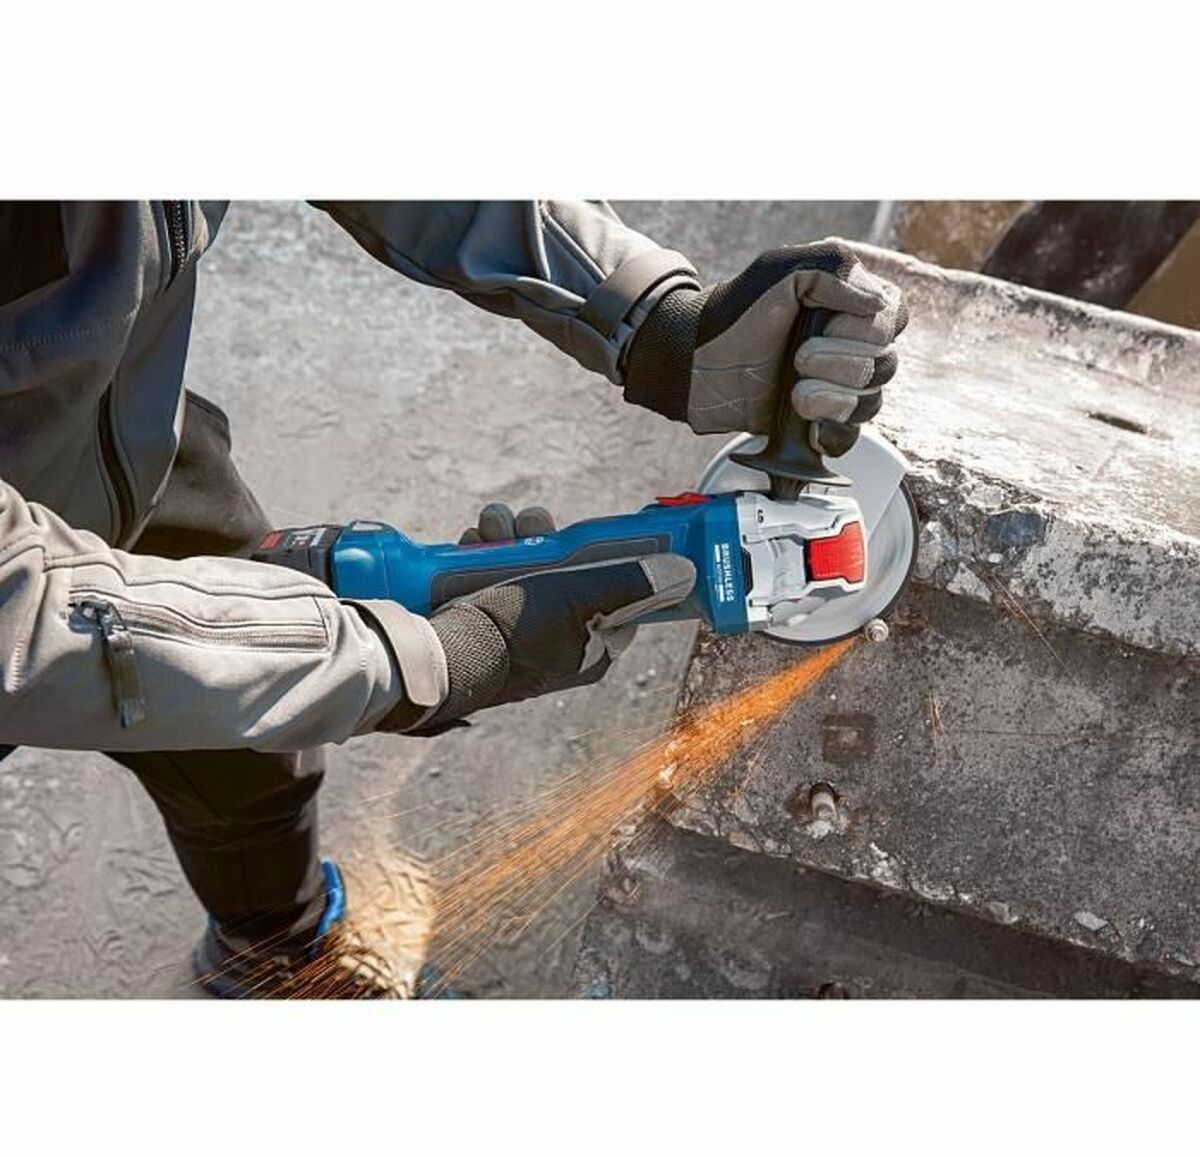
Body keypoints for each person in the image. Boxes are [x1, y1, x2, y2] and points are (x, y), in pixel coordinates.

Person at [0, 202, 906, 997]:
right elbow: (19, 621)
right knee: (294, 659)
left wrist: (650, 319)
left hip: (117, 432)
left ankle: (273, 948)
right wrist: (413, 660)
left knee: (258, 741)